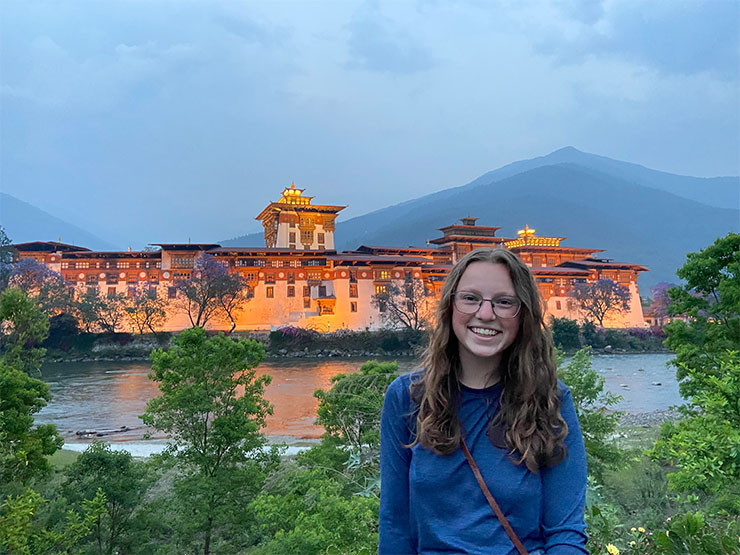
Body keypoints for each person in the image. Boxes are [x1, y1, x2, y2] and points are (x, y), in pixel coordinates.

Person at [379, 248, 588, 554]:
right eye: (471, 298)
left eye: (504, 302)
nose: (486, 314)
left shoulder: (550, 401)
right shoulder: (407, 399)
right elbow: (395, 524)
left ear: (523, 315)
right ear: (450, 306)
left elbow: (566, 534)